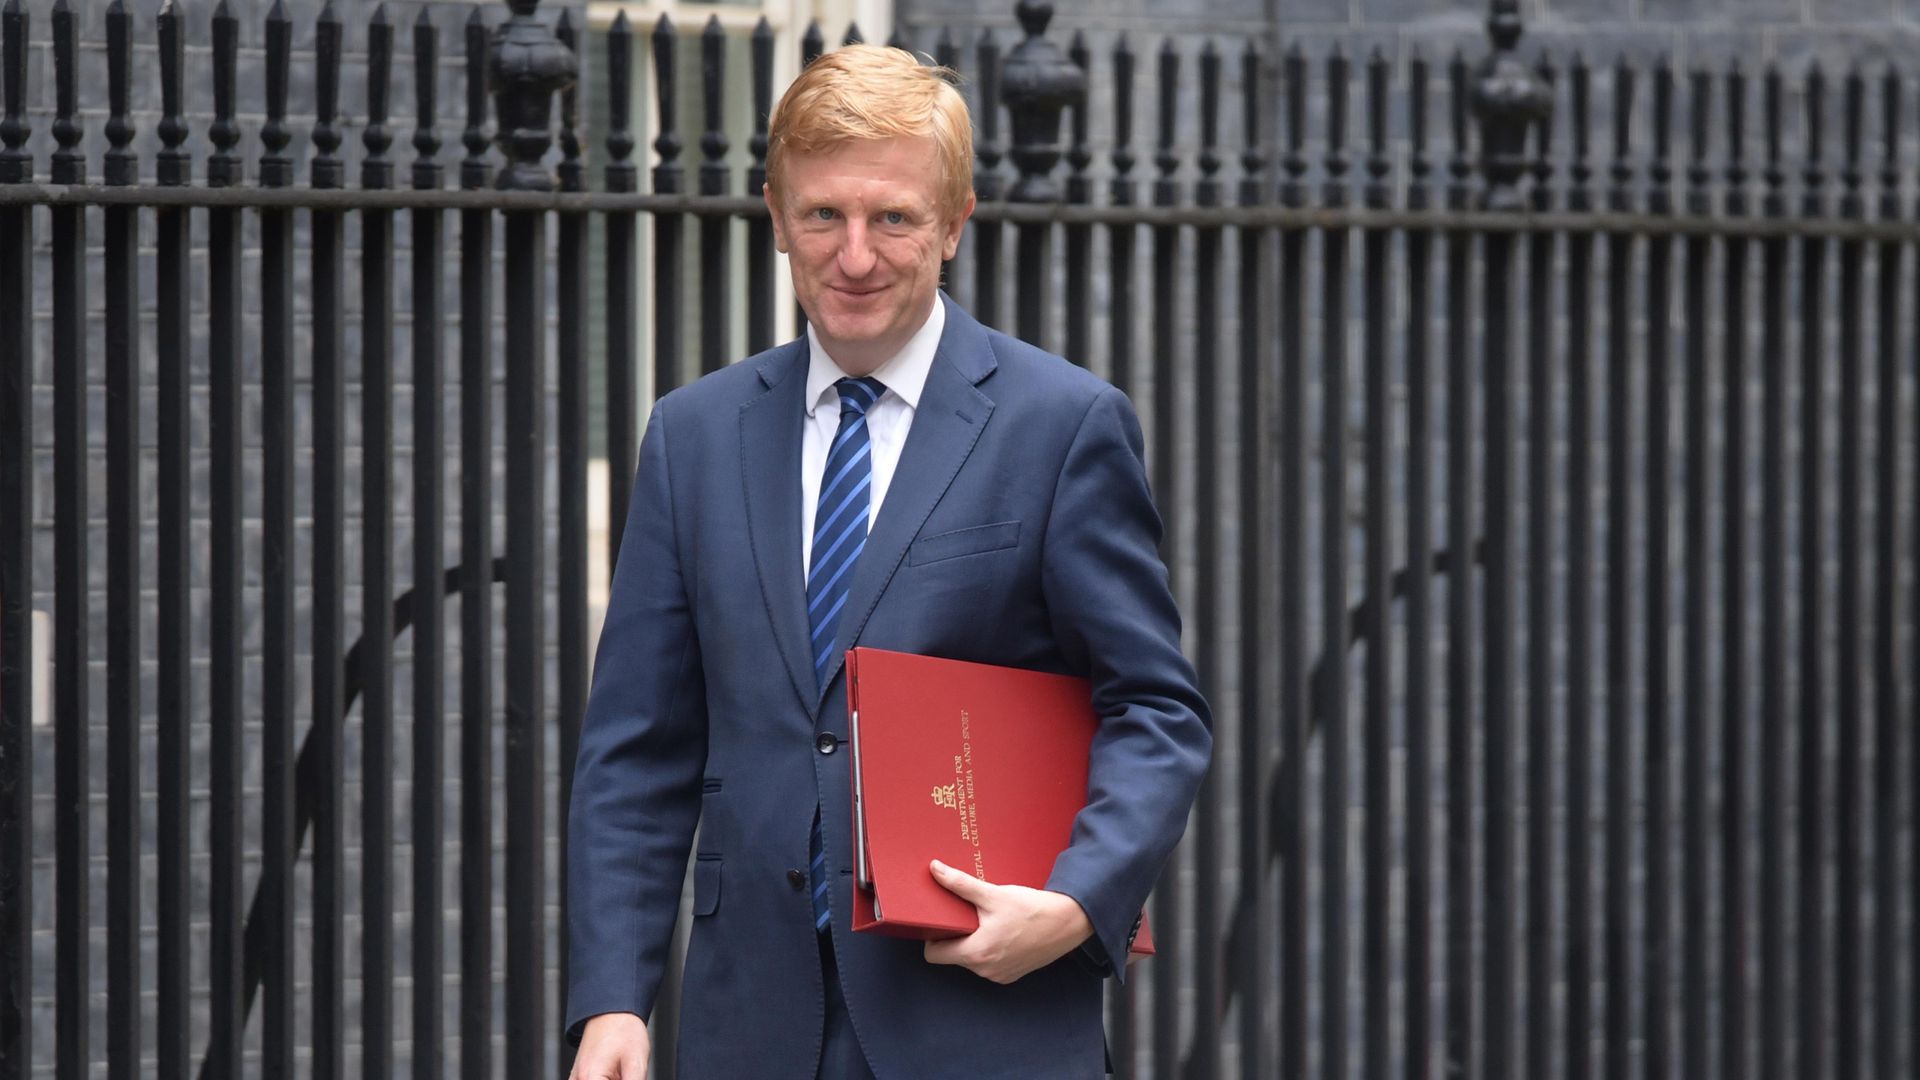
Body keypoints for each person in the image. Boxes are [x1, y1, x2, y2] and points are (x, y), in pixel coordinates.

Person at [565, 43, 1210, 1080]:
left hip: (986, 1023)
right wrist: (611, 1001)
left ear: (956, 223)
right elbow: (636, 753)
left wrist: (1077, 902)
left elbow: (1156, 709)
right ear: (776, 214)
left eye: (894, 218)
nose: (854, 255)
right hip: (751, 1031)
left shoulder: (1063, 426)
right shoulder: (693, 436)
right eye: (823, 215)